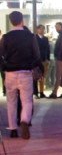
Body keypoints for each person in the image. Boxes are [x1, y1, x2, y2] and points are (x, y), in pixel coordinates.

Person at [0, 11, 43, 139]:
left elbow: (0, 54)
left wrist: (4, 67)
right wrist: (33, 66)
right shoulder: (30, 36)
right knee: (27, 101)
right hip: (25, 72)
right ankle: (24, 120)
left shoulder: (6, 37)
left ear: (10, 21)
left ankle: (13, 129)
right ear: (22, 20)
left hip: (10, 73)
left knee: (11, 102)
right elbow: (37, 55)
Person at [48, 22, 62, 99]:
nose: (56, 28)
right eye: (56, 27)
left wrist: (59, 56)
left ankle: (54, 92)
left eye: (58, 27)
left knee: (58, 76)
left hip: (61, 59)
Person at [34, 25, 51, 98]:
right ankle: (35, 92)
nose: (42, 31)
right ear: (37, 30)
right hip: (36, 60)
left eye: (43, 29)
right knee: (35, 76)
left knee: (43, 76)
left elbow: (47, 49)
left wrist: (48, 58)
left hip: (44, 59)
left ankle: (41, 92)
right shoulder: (34, 38)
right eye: (40, 29)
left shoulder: (45, 39)